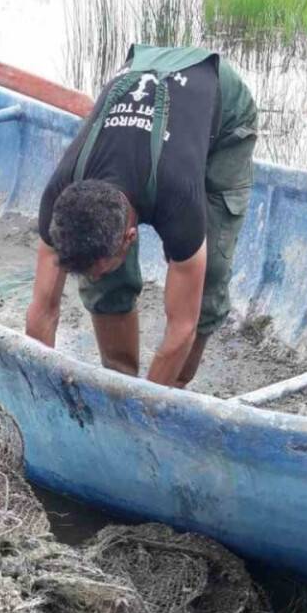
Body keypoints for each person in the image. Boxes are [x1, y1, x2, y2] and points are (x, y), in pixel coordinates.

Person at [26, 45, 257, 388]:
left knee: (209, 275)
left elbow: (182, 328)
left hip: (220, 103)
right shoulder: (59, 197)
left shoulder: (178, 197)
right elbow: (42, 310)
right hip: (142, 73)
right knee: (105, 281)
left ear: (130, 237)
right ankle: (120, 376)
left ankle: (176, 388)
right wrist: (38, 388)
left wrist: (147, 409)